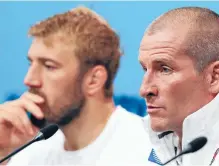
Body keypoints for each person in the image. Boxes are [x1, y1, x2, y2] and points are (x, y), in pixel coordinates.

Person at [0, 6, 153, 166]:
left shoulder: (148, 152)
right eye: (31, 64)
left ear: (94, 80)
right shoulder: (27, 150)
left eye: (49, 66)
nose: (29, 80)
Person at [139, 6, 219, 166]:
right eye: (145, 69)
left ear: (214, 77)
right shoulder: (137, 140)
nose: (144, 90)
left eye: (164, 69)